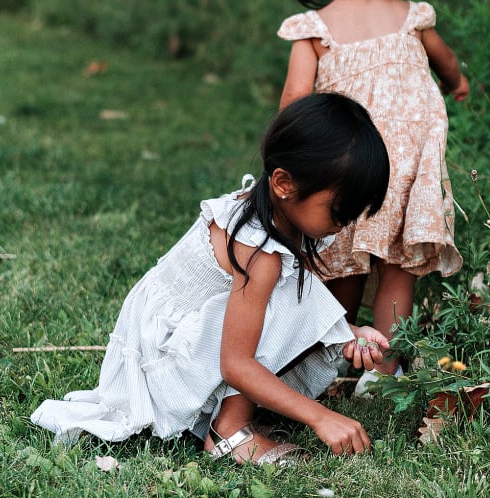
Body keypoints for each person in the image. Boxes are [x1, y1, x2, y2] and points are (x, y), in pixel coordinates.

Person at [31, 93, 391, 464]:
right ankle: (230, 431)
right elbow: (235, 363)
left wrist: (347, 331)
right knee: (274, 298)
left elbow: (299, 303)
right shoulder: (258, 252)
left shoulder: (272, 209)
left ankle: (231, 414)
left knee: (285, 293)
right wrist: (321, 417)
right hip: (165, 359)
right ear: (284, 184)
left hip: (195, 339)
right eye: (340, 209)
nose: (347, 221)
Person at [278, 0, 469, 394]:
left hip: (346, 163)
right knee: (397, 268)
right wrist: (458, 84)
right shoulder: (411, 18)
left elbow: (295, 100)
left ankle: (329, 354)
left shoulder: (315, 31)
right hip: (405, 170)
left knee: (342, 258)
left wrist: (293, 155)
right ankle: (381, 371)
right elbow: (446, 64)